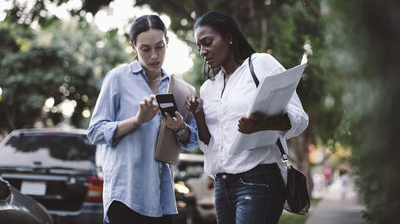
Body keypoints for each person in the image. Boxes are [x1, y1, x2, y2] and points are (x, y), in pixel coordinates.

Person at [186, 11, 309, 224]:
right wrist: (197, 115)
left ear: (229, 37)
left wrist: (261, 125)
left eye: (207, 42)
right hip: (222, 185)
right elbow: (210, 145)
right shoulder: (208, 88)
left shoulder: (260, 64)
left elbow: (299, 119)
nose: (203, 52)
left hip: (258, 179)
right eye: (199, 47)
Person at [88, 14, 198, 224]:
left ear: (168, 42)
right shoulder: (117, 78)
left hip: (161, 194)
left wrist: (180, 127)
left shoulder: (178, 86)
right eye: (145, 49)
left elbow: (191, 140)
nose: (154, 56)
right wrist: (136, 120)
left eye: (160, 47)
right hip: (126, 194)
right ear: (133, 47)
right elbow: (95, 132)